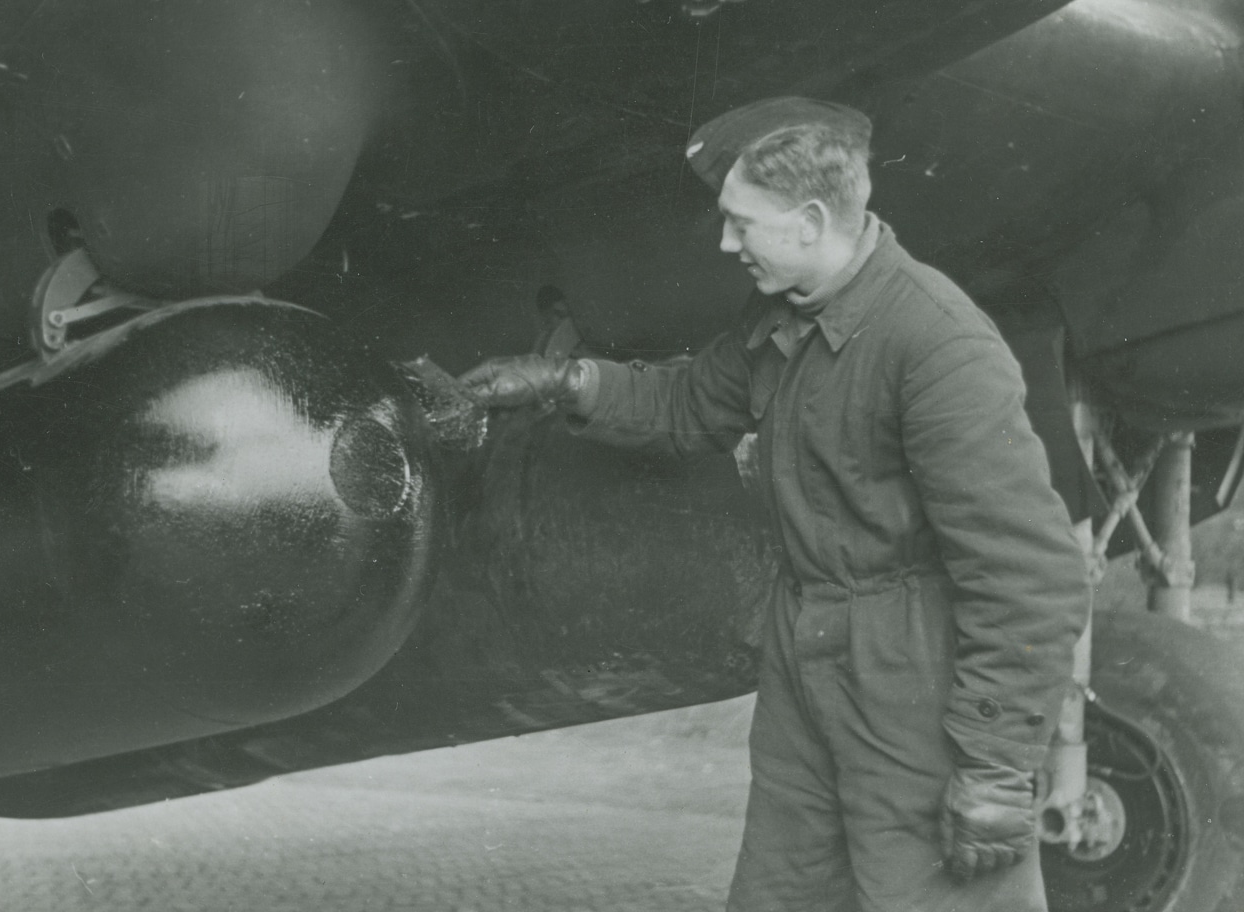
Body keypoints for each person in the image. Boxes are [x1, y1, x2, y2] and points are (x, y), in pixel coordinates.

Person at [458, 96, 1089, 912]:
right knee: (783, 892)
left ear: (811, 221)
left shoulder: (939, 346)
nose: (727, 243)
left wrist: (997, 766)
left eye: (741, 222)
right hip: (805, 654)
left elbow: (1031, 574)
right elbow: (689, 402)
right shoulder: (783, 314)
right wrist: (561, 379)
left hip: (911, 673)